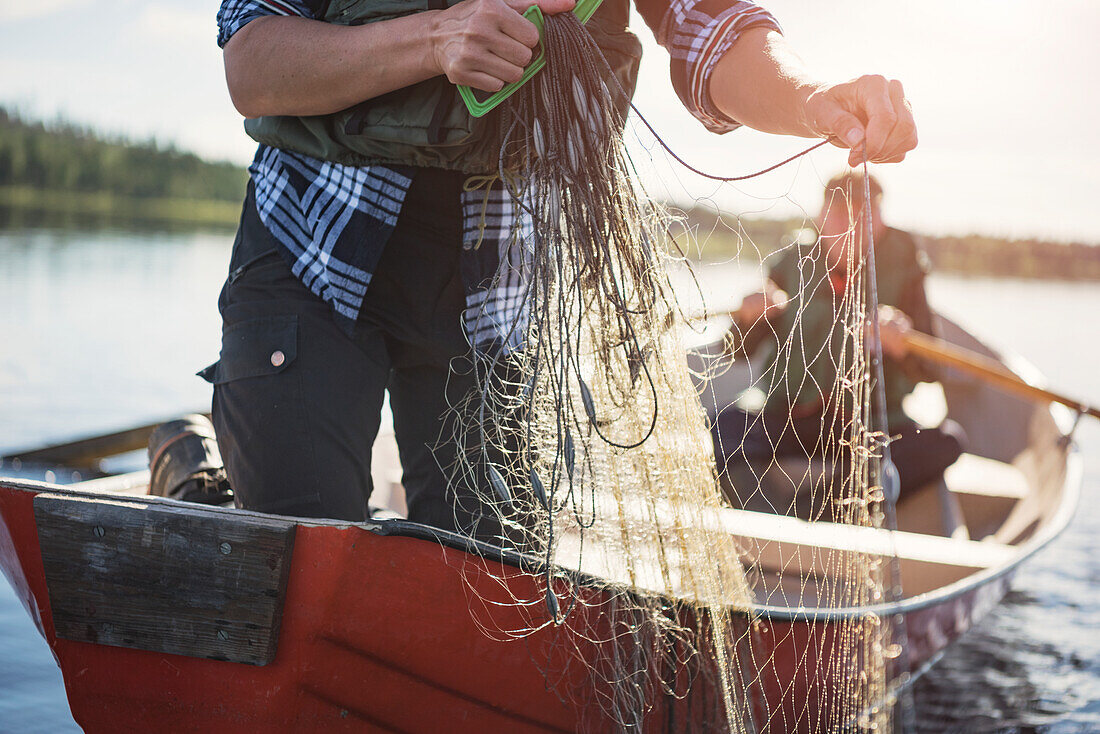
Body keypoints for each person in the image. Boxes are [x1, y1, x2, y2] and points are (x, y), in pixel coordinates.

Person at [206, 0, 918, 536]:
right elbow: (253, 65)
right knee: (297, 548)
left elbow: (713, 31)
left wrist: (814, 102)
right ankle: (201, 482)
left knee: (483, 572)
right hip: (312, 249)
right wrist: (433, 39)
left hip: (495, 291)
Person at [713, 172, 965, 510]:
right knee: (713, 428)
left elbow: (932, 369)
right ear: (821, 218)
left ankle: (815, 511)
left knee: (947, 442)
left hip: (872, 429)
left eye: (865, 217)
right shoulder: (791, 264)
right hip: (790, 418)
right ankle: (769, 510)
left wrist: (901, 345)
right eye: (841, 216)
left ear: (880, 222)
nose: (853, 229)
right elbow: (735, 351)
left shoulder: (905, 269)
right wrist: (746, 320)